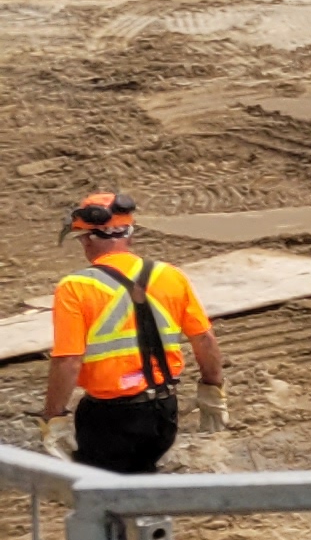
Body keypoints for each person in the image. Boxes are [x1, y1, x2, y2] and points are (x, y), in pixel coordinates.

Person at [37, 194, 224, 476]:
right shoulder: (170, 275)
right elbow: (204, 339)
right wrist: (213, 389)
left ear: (88, 240)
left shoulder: (75, 287)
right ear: (130, 235)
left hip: (109, 417)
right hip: (164, 409)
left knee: (104, 497)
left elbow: (68, 360)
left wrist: (54, 416)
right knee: (143, 482)